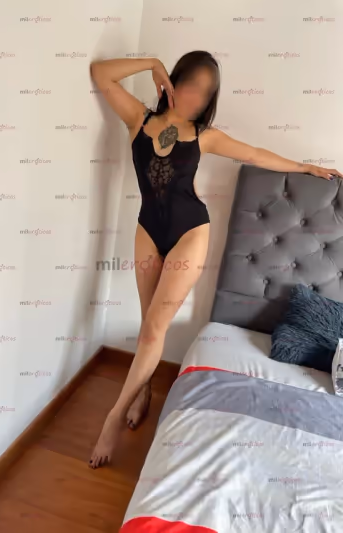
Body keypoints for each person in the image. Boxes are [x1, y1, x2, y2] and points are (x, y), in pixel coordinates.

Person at [89, 51, 342, 469]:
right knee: (148, 321)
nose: (197, 97)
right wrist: (150, 63)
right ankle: (144, 389)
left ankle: (113, 418)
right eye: (192, 85)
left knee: (154, 329)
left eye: (207, 93)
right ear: (173, 81)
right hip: (147, 229)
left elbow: (255, 154)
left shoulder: (202, 136)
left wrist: (304, 167)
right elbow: (101, 73)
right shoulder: (138, 119)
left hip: (190, 231)